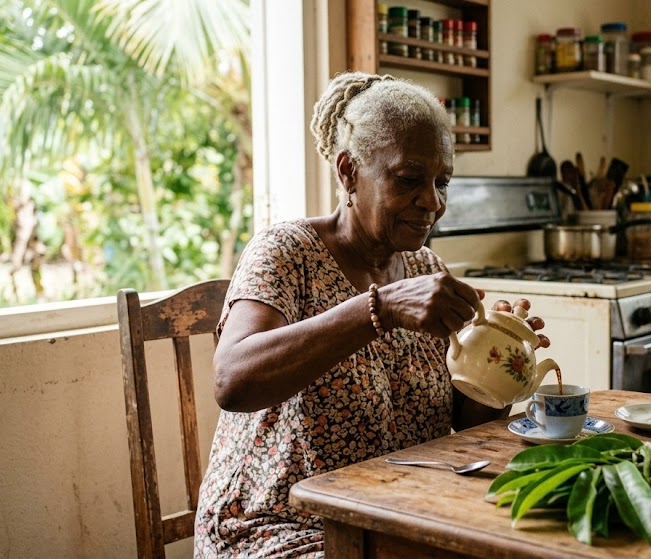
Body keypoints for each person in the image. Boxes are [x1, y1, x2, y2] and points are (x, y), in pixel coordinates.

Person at [193, 71, 550, 558]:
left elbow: (466, 423)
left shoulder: (426, 266)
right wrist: (378, 309)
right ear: (348, 172)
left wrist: (499, 357)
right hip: (279, 526)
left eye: (441, 182)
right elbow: (232, 381)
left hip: (395, 515)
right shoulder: (286, 252)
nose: (432, 201)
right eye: (409, 180)